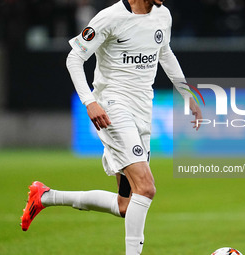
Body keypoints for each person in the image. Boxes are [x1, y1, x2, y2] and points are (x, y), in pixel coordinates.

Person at [20, 0, 202, 254]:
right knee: (146, 187)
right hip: (113, 108)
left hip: (142, 111)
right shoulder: (110, 18)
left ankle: (45, 196)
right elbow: (74, 58)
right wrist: (90, 102)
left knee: (125, 205)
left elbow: (165, 52)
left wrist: (186, 93)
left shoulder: (163, 15)